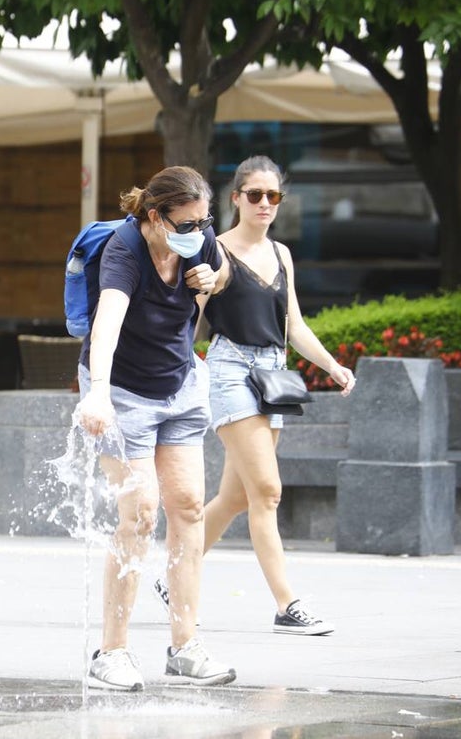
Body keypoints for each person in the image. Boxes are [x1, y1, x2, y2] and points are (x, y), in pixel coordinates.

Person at [157, 155, 355, 635]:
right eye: (255, 195)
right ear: (236, 199)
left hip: (273, 374)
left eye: (274, 196)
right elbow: (191, 317)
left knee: (236, 498)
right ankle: (288, 606)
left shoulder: (283, 254)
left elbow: (294, 326)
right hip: (229, 371)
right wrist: (170, 369)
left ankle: (173, 576)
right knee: (268, 491)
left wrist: (332, 365)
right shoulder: (214, 249)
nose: (265, 203)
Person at [75, 165, 236, 691]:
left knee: (188, 505)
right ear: (153, 216)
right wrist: (98, 391)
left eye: (203, 222)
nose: (198, 232)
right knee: (140, 513)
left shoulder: (200, 236)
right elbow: (109, 321)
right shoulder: (124, 251)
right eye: (185, 224)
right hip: (121, 390)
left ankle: (185, 646)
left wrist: (215, 278)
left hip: (180, 383)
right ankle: (111, 652)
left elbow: (224, 268)